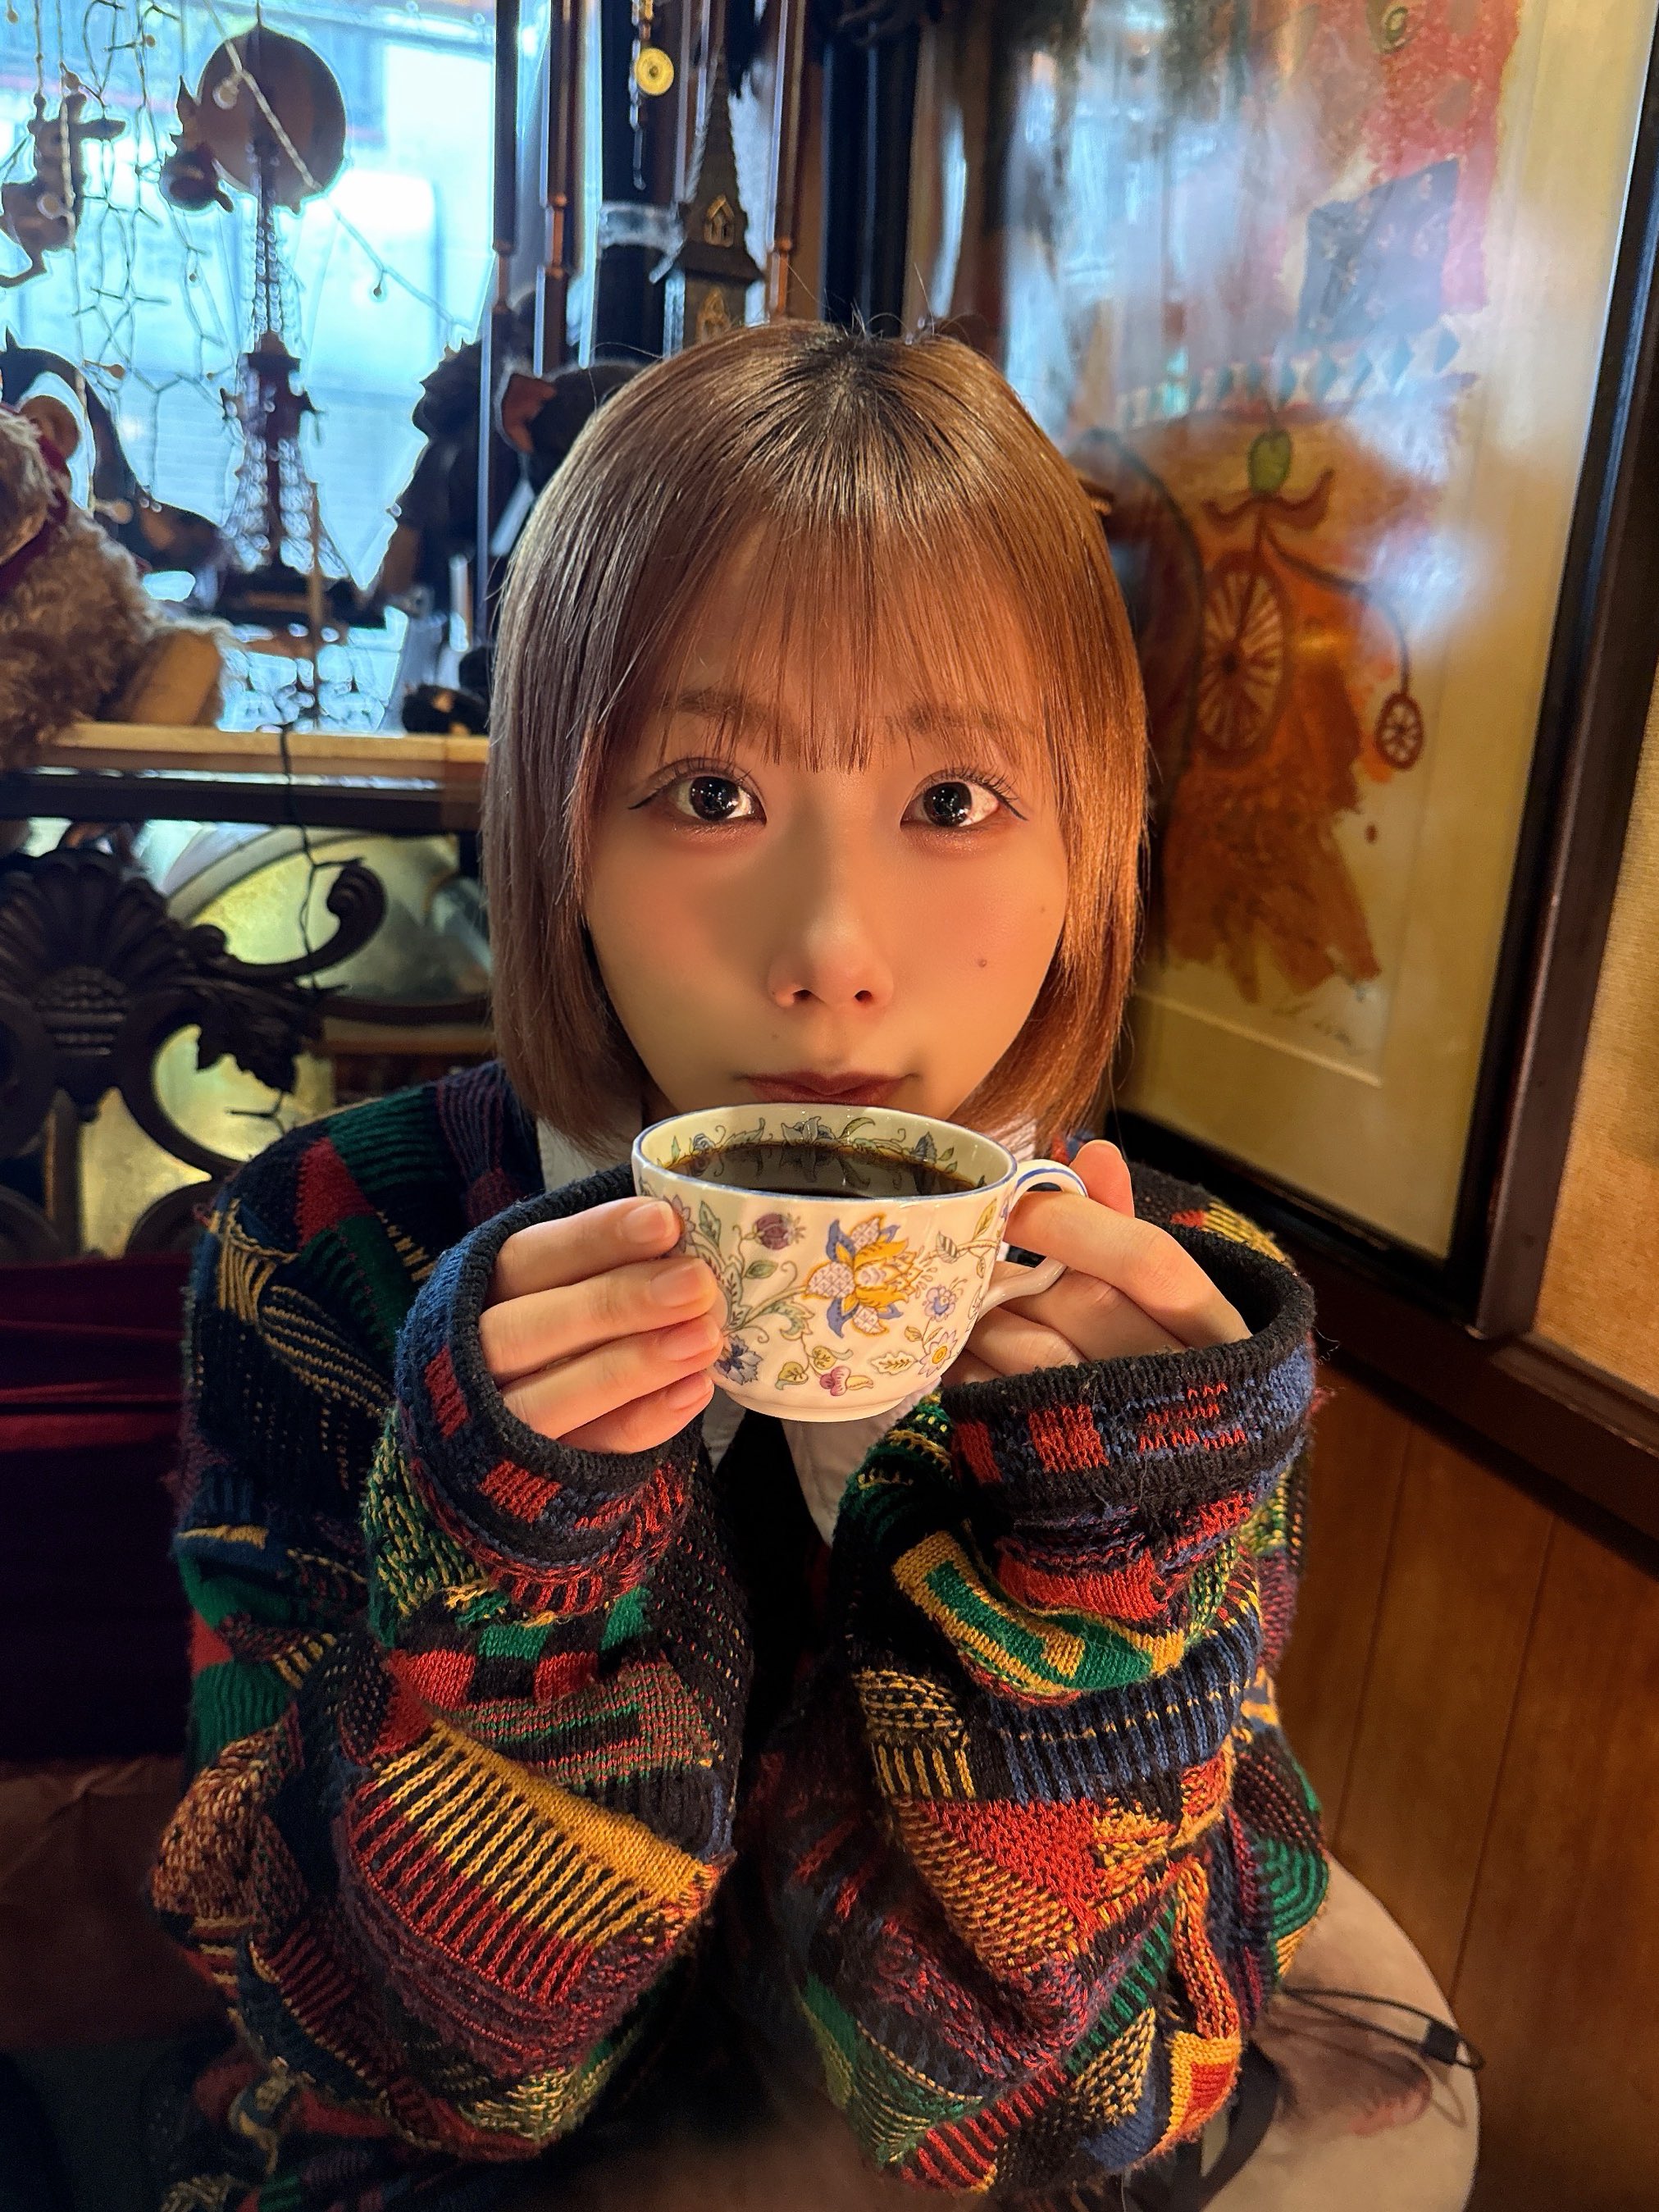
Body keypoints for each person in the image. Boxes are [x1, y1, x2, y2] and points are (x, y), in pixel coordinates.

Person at [148, 320, 1328, 2212]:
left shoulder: (1173, 1315)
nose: (833, 949)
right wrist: (509, 1554)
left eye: (952, 800)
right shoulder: (327, 1244)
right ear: (561, 838)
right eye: (709, 792)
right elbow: (416, 2071)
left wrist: (1095, 1585)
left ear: (1088, 852)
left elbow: (1088, 2113)